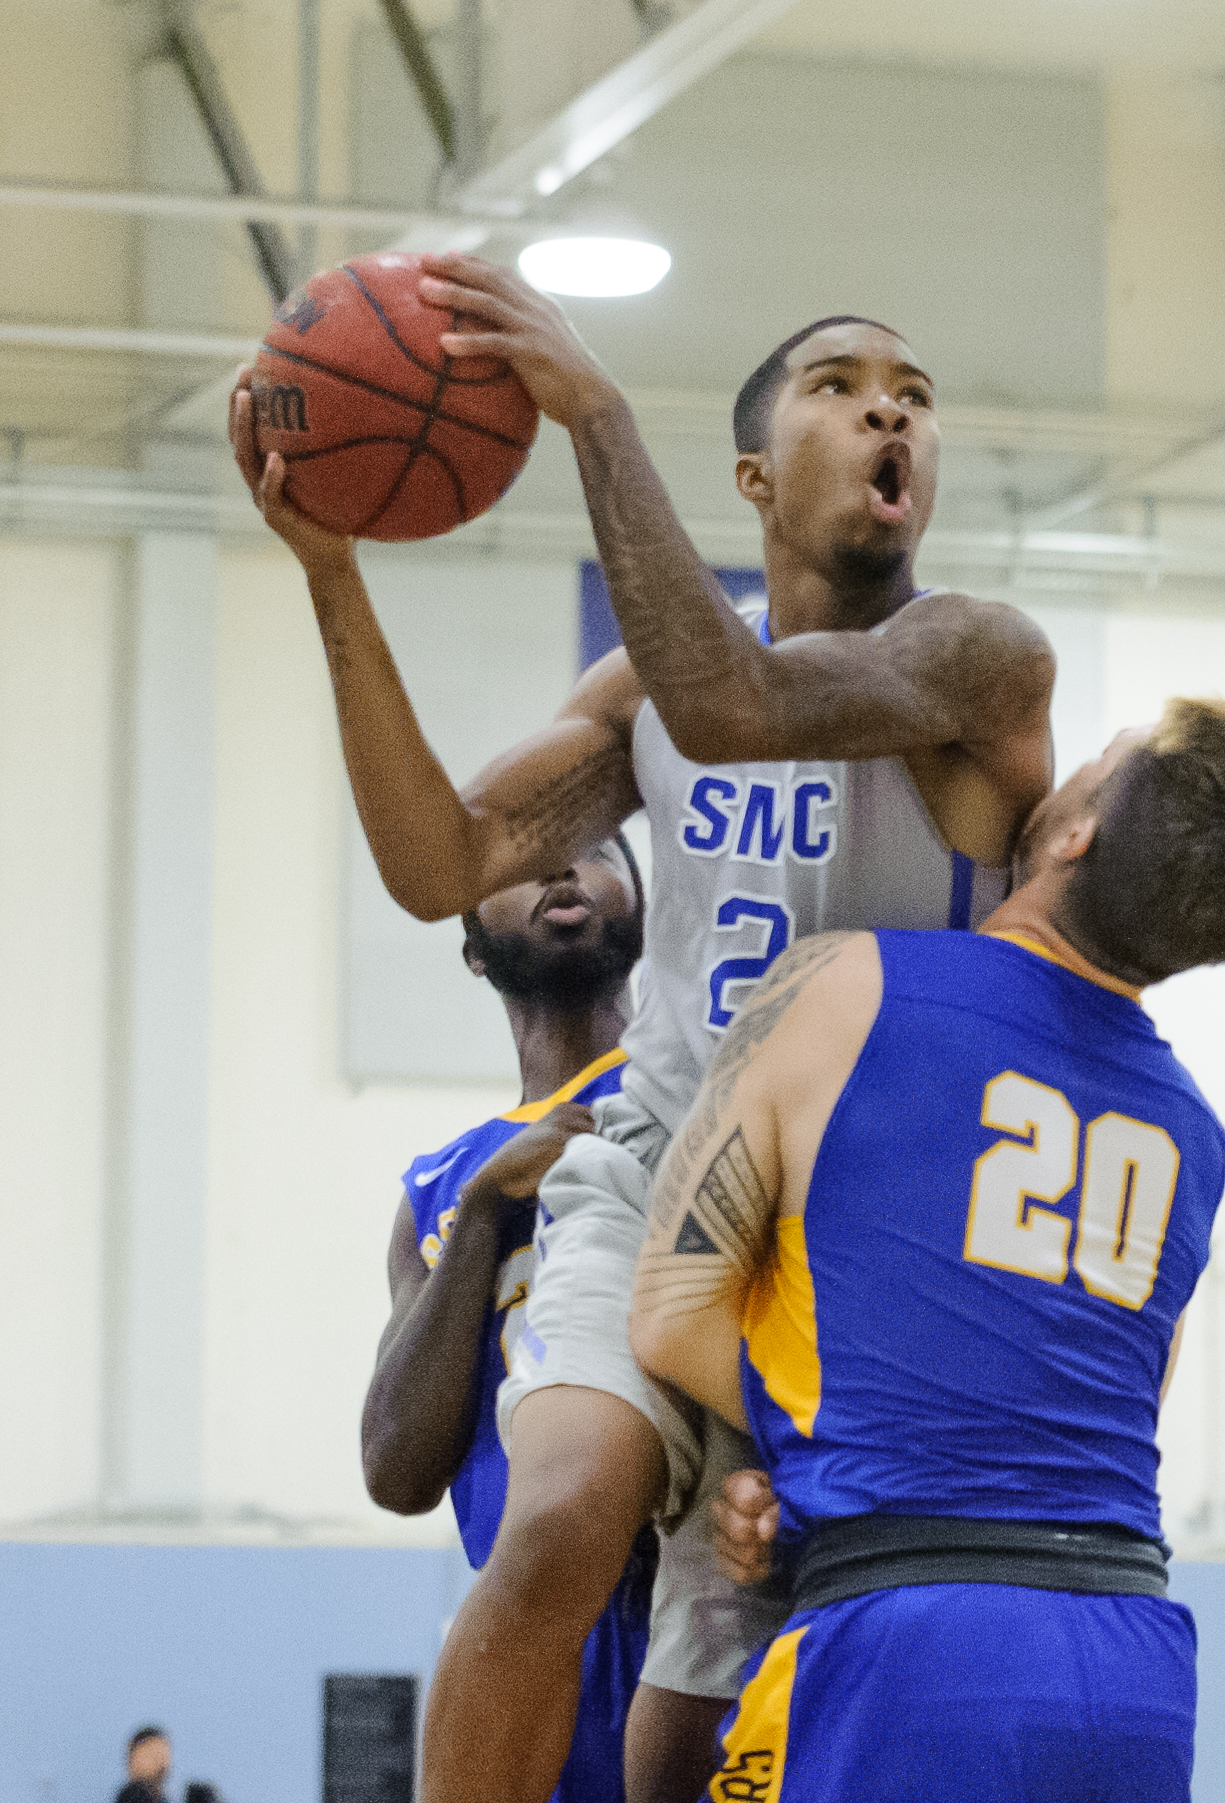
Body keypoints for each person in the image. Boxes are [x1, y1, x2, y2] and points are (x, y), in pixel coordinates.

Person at [229, 261, 1057, 1803]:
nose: (890, 403)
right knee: (557, 1519)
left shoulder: (978, 659)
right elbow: (436, 861)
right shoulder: (645, 693)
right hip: (655, 1186)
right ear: (750, 478)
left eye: (915, 395)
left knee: (711, 1704)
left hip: (869, 1246)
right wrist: (330, 566)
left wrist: (597, 414)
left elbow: (740, 697)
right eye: (841, 382)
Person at [631, 699, 1225, 1801]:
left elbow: (667, 1312)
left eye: (1097, 758)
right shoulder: (1193, 1133)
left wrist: (809, 1461)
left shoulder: (841, 982)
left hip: (907, 1640)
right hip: (1130, 1667)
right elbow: (1114, 1396)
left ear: (1074, 831)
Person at [361, 836, 648, 1803]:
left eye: (596, 850)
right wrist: (487, 1207)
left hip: (696, 1604)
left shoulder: (701, 1097)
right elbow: (395, 1469)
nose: (564, 871)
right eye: (525, 860)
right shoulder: (440, 1187)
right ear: (474, 949)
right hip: (524, 1633)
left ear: (646, 911)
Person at [114, 1728, 170, 1803]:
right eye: (152, 1756)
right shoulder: (133, 1797)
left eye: (163, 1756)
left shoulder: (159, 1798)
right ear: (134, 1759)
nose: (161, 1763)